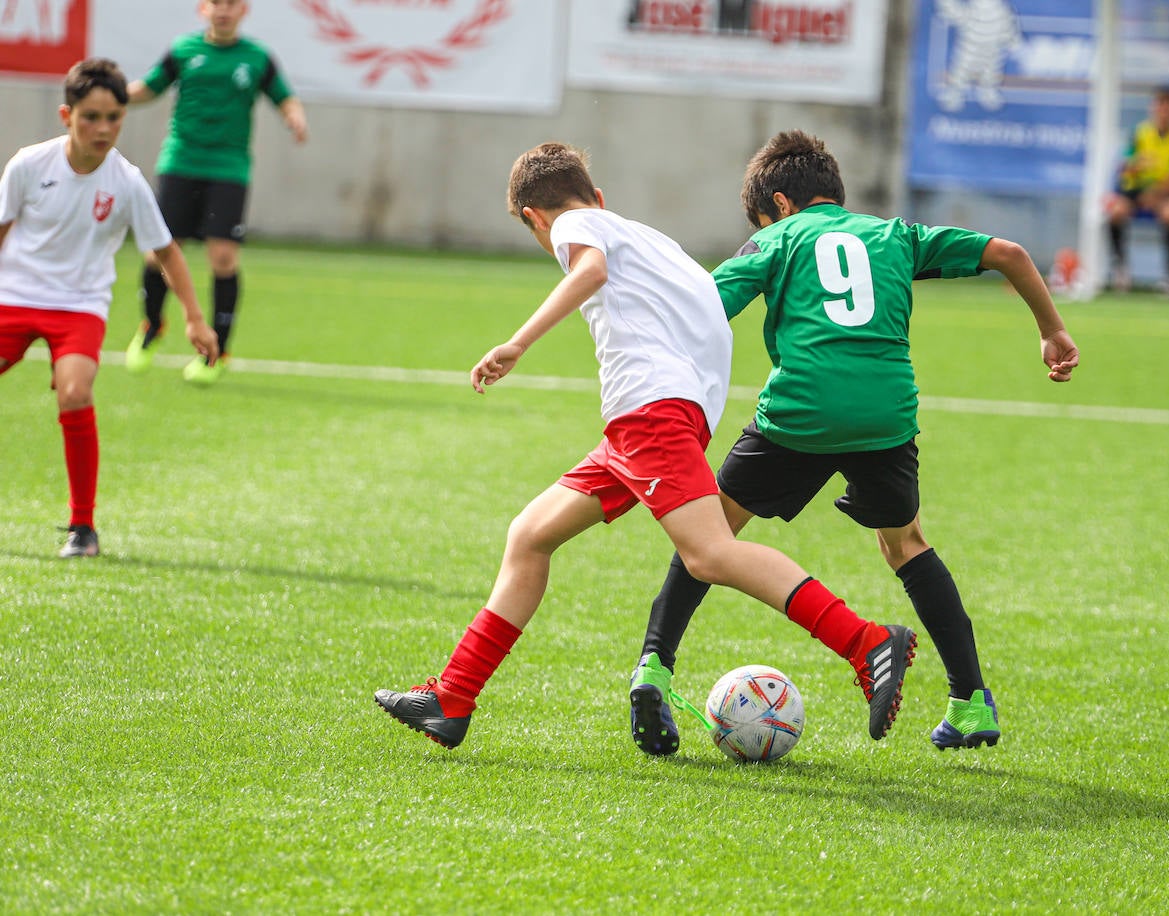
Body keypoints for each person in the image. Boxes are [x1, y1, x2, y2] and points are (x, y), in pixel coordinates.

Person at [373, 142, 917, 751]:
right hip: (660, 419)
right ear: (599, 194)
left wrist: (516, 343)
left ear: (533, 216)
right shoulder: (653, 241)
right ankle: (452, 697)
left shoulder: (573, 224)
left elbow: (589, 272)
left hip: (650, 417)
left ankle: (865, 641)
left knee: (709, 554)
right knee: (530, 535)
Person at [627, 130, 1080, 756]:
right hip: (885, 418)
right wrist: (1052, 330)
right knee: (906, 544)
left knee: (708, 535)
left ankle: (653, 667)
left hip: (800, 412)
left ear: (779, 205)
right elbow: (1009, 252)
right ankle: (971, 701)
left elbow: (702, 308)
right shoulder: (896, 235)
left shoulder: (777, 238)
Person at [0, 59, 218, 557]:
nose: (103, 129)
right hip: (12, 297)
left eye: (114, 117)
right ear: (66, 115)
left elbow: (166, 251)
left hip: (79, 306)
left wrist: (193, 316)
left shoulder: (127, 181)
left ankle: (83, 528)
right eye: (91, 117)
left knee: (75, 391)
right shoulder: (30, 165)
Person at [123, 0, 308, 384]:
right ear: (202, 9)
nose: (223, 11)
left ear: (244, 11)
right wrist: (110, 95)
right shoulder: (183, 50)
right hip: (180, 162)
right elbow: (148, 88)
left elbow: (284, 96)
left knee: (223, 257)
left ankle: (216, 352)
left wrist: (294, 114)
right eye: (216, 4)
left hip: (228, 168)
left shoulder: (257, 58)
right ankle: (152, 325)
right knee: (159, 250)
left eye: (231, 4)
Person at [1105, 84, 1169, 295]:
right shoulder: (1139, 133)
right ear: (1153, 107)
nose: (1164, 111)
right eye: (1161, 105)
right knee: (1116, 210)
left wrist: (1154, 193)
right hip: (1135, 193)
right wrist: (1136, 165)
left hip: (1161, 196)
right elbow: (1124, 168)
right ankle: (1120, 267)